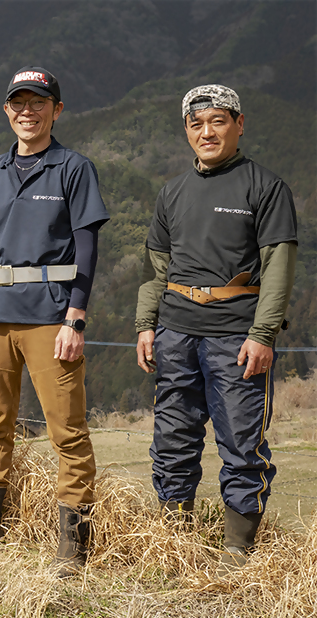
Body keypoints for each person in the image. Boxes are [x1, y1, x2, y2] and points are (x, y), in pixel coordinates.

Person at [0, 67, 109, 576]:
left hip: (51, 315)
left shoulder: (73, 168)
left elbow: (87, 243)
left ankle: (74, 541)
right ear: (6, 111)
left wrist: (75, 317)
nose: (27, 111)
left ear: (56, 110)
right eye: (18, 102)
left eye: (38, 102)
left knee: (67, 429)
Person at [135, 85, 297, 574]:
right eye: (196, 124)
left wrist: (263, 334)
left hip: (236, 336)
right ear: (187, 131)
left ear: (239, 124)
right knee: (172, 438)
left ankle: (236, 551)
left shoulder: (265, 187)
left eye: (218, 121)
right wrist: (147, 324)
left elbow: (279, 268)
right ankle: (173, 540)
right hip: (176, 332)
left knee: (242, 442)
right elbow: (157, 270)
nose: (207, 132)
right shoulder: (173, 192)